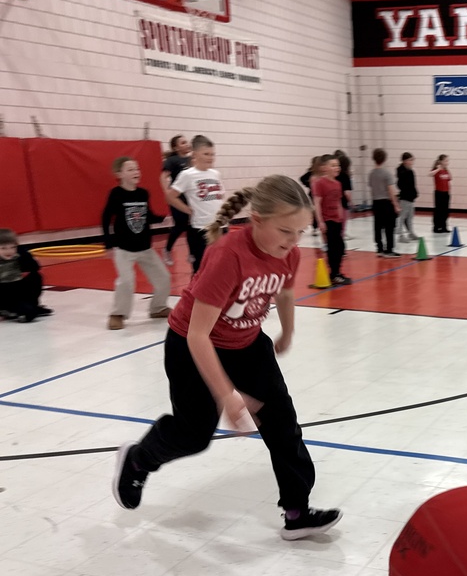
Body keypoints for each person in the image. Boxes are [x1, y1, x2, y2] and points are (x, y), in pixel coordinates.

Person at [112, 174, 343, 540]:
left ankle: (297, 512)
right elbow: (198, 334)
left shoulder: (290, 253)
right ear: (257, 221)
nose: (294, 241)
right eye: (286, 231)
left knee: (282, 425)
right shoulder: (227, 256)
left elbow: (283, 293)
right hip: (193, 345)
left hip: (248, 344)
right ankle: (139, 459)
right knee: (194, 435)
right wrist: (226, 395)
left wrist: (288, 330)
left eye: (301, 231)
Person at [102, 157, 173, 330]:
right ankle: (118, 314)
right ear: (119, 174)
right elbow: (106, 217)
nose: (136, 172)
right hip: (124, 249)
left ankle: (158, 307)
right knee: (126, 281)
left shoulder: (143, 193)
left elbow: (147, 216)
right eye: (131, 169)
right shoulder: (116, 194)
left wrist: (164, 218)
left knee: (164, 277)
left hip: (145, 248)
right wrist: (108, 243)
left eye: (137, 169)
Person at [167, 135, 224, 274]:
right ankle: (194, 295)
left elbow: (220, 197)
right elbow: (170, 196)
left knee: (221, 268)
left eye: (212, 154)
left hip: (220, 227)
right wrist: (187, 209)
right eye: (206, 154)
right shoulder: (188, 175)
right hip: (200, 229)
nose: (210, 157)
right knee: (201, 270)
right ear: (195, 154)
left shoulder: (215, 174)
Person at [311, 154, 351, 285]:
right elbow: (317, 203)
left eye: (338, 165)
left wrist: (340, 217)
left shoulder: (338, 184)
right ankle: (334, 273)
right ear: (325, 168)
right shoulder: (320, 183)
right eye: (333, 165)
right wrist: (320, 221)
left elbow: (338, 202)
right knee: (334, 247)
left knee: (340, 247)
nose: (337, 168)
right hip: (328, 220)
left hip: (337, 219)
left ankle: (336, 272)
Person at [0, 228, 52, 323]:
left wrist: (23, 254)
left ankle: (32, 305)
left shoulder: (18, 256)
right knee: (29, 313)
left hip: (17, 289)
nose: (9, 251)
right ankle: (6, 310)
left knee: (36, 276)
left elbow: (34, 267)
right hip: (4, 295)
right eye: (3, 248)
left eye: (12, 247)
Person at [161, 134, 192, 265]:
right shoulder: (172, 160)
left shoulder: (192, 159)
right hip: (177, 198)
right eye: (183, 143)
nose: (186, 144)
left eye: (187, 142)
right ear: (176, 147)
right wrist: (167, 193)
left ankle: (193, 252)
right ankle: (167, 250)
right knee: (180, 225)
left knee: (193, 226)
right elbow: (163, 177)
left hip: (191, 197)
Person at [368, 148, 401, 258]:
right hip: (386, 202)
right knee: (389, 226)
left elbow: (372, 188)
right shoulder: (387, 173)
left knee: (377, 226)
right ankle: (389, 249)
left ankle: (379, 248)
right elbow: (391, 190)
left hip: (376, 202)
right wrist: (395, 204)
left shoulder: (371, 174)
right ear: (384, 159)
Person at [396, 152, 419, 243]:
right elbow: (401, 184)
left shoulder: (410, 171)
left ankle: (410, 232)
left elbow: (413, 184)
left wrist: (414, 193)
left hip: (411, 197)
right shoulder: (403, 172)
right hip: (405, 197)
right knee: (402, 216)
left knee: (410, 216)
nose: (412, 162)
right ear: (405, 161)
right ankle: (400, 235)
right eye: (410, 160)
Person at [334, 150, 353, 239]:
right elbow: (347, 192)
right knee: (343, 218)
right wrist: (351, 202)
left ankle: (338, 233)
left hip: (334, 200)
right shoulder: (346, 176)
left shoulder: (335, 175)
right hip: (343, 201)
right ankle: (342, 233)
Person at [430, 155, 451, 233]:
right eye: (446, 161)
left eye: (447, 161)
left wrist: (446, 168)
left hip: (446, 193)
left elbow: (450, 178)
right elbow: (430, 174)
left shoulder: (445, 170)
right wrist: (438, 168)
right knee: (438, 210)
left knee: (445, 211)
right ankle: (436, 227)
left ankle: (444, 226)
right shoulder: (436, 170)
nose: (447, 162)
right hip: (439, 193)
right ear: (441, 161)